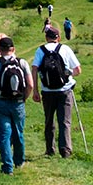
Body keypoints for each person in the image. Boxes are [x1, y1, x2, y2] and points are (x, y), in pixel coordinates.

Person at [0, 35, 34, 173]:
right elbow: (30, 85)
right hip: (18, 103)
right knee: (18, 133)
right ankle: (19, 161)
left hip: (1, 103)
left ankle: (7, 167)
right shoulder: (22, 63)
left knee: (4, 136)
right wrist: (24, 98)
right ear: (13, 49)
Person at [32, 26, 82, 158]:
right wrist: (68, 74)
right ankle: (65, 150)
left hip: (47, 91)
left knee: (49, 120)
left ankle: (50, 149)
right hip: (65, 90)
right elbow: (78, 70)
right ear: (58, 38)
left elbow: (35, 69)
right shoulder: (65, 49)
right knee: (65, 121)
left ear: (46, 37)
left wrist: (35, 90)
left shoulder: (40, 50)